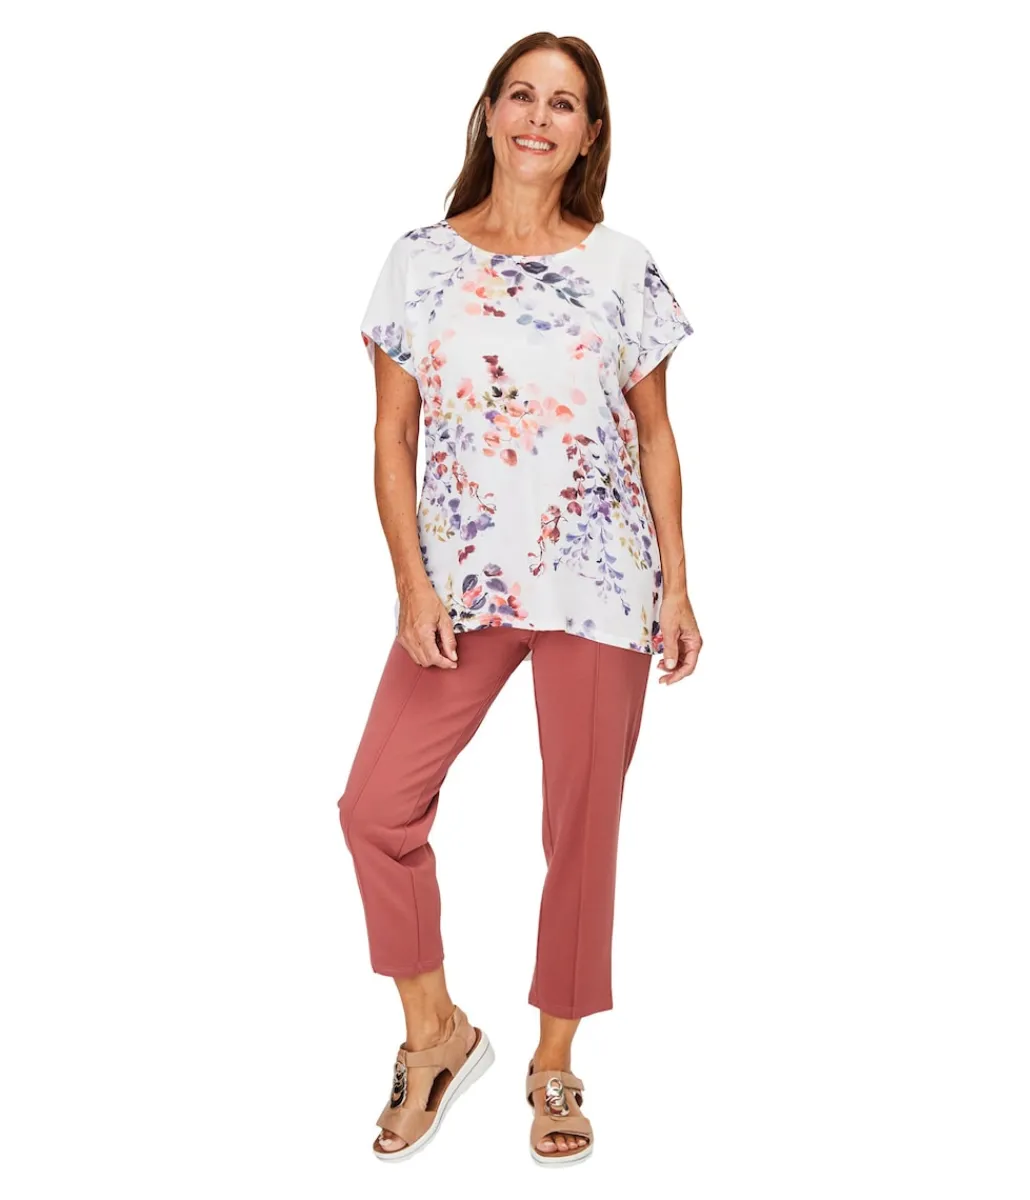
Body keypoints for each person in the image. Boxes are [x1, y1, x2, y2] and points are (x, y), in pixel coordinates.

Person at [338, 31, 703, 1165]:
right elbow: (392, 438)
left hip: (603, 580)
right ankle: (436, 1034)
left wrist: (679, 584)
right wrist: (411, 583)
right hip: (464, 583)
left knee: (580, 825)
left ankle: (554, 1063)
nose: (540, 117)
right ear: (490, 112)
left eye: (565, 103)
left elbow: (655, 437)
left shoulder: (624, 267)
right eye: (522, 95)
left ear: (590, 134)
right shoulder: (418, 261)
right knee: (375, 807)